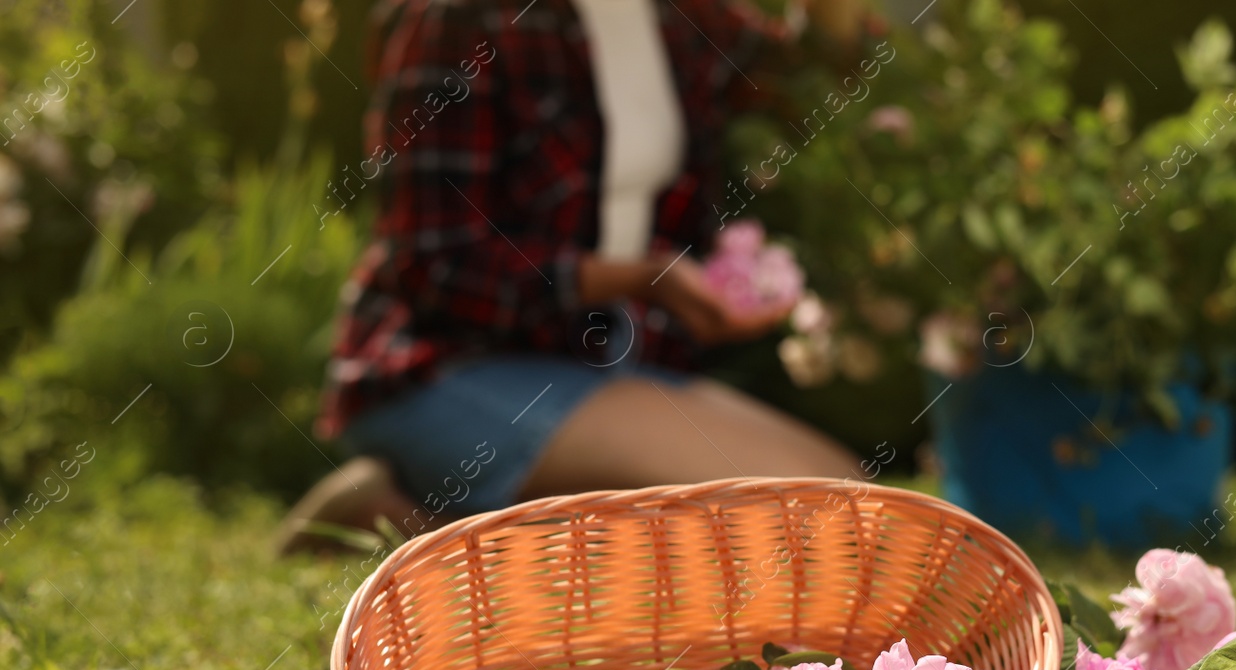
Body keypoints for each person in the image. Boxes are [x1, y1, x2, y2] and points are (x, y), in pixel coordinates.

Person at [280, 0, 860, 551]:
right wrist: (640, 277)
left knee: (850, 493)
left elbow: (804, 80)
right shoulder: (461, 15)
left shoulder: (678, 14)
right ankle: (403, 523)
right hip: (445, 370)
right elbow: (435, 263)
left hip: (603, 368)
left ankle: (421, 521)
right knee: (808, 514)